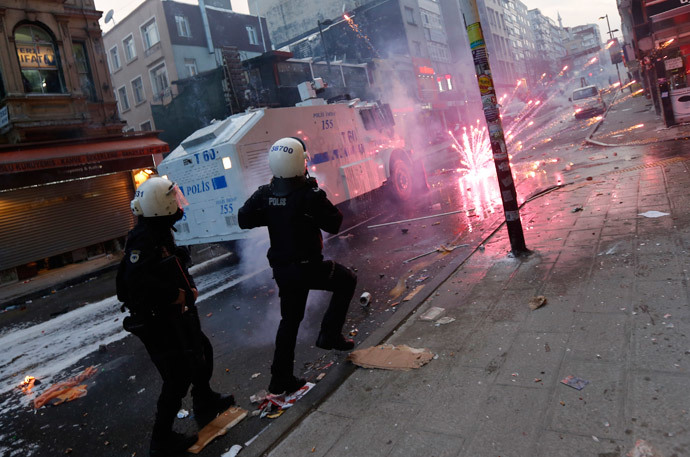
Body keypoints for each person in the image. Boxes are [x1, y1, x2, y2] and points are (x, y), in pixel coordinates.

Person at [116, 176, 235, 457]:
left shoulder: (159, 229)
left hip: (172, 314)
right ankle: (161, 440)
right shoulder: (143, 238)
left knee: (201, 349)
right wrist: (174, 295)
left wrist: (186, 287)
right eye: (172, 199)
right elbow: (134, 283)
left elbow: (171, 264)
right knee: (177, 376)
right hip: (156, 319)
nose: (178, 204)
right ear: (160, 205)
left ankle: (204, 400)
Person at [238, 137, 357, 395]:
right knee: (346, 280)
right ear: (299, 163)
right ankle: (330, 335)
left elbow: (243, 219)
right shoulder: (308, 194)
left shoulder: (265, 192)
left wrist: (273, 214)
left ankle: (279, 379)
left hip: (283, 271)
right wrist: (314, 195)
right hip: (308, 268)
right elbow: (335, 222)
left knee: (289, 321)